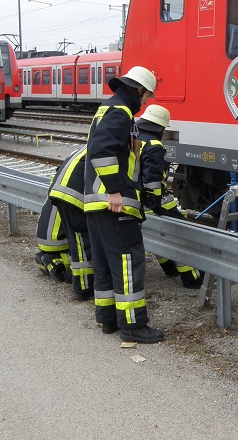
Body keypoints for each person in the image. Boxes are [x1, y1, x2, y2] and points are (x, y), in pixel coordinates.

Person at [84, 66, 165, 344]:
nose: (145, 102)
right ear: (138, 90)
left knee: (106, 264)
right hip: (114, 204)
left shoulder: (108, 109)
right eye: (146, 96)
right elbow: (102, 151)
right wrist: (116, 191)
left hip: (96, 203)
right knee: (129, 263)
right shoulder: (120, 112)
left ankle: (108, 319)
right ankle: (133, 325)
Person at [135, 105, 203, 289]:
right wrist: (155, 204)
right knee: (182, 237)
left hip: (135, 200)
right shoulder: (154, 146)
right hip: (153, 202)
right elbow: (152, 182)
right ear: (162, 128)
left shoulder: (134, 139)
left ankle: (170, 268)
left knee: (158, 234)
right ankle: (192, 279)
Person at [49, 146, 94, 301]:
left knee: (78, 241)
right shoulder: (111, 146)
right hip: (73, 196)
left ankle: (83, 284)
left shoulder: (93, 143)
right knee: (82, 242)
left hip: (62, 191)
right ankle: (83, 288)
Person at [35, 198, 71, 282]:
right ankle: (56, 262)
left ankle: (44, 258)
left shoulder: (56, 187)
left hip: (43, 238)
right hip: (58, 240)